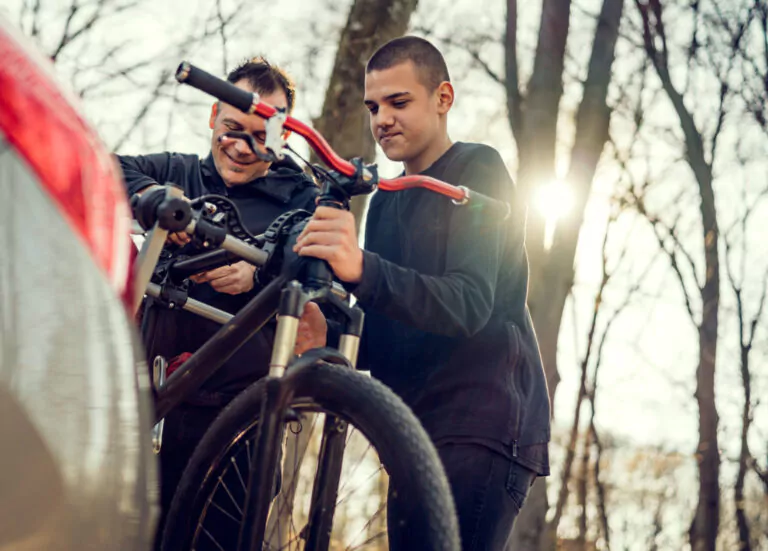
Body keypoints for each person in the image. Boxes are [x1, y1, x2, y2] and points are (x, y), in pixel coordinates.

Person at [294, 36, 551, 550]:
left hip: (483, 421)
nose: (382, 118)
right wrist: (331, 332)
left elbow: (468, 303)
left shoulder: (477, 168)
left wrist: (362, 268)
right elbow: (390, 331)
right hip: (414, 431)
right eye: (373, 106)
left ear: (443, 98)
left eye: (398, 102)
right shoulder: (387, 203)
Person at [117, 56, 324, 541]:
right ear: (213, 117)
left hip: (239, 421)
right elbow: (108, 167)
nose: (241, 147)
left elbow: (319, 261)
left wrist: (261, 268)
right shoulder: (177, 171)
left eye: (259, 136)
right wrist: (153, 198)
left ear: (283, 139)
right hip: (151, 404)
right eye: (231, 128)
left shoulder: (303, 199)